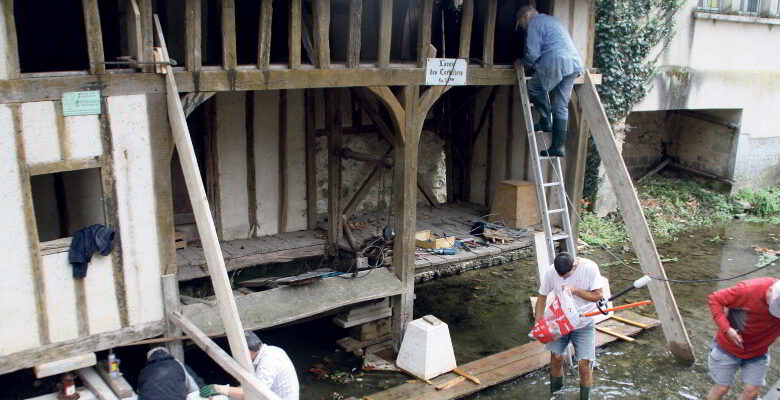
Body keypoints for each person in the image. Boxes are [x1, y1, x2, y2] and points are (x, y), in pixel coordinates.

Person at [515, 6, 584, 157]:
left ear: (524, 17)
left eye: (520, 24)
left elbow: (532, 54)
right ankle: (558, 147)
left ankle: (546, 121)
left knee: (534, 87)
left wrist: (522, 62)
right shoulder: (552, 20)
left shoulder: (534, 23)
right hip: (573, 64)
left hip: (557, 62)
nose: (522, 27)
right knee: (561, 105)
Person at [534, 252, 603, 400]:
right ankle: (555, 395)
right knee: (556, 358)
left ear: (574, 265)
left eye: (566, 276)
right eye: (561, 277)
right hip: (560, 322)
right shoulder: (551, 272)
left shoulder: (589, 268)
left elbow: (598, 296)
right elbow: (542, 296)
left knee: (584, 365)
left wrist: (576, 291)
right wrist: (538, 323)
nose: (564, 279)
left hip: (584, 323)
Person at [706, 277, 779, 400]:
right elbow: (715, 299)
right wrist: (726, 329)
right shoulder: (747, 289)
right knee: (722, 388)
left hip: (758, 352)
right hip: (727, 348)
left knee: (752, 392)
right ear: (770, 289)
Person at [200, 331, 299, 400]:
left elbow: (254, 394)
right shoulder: (272, 350)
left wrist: (219, 389)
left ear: (247, 351)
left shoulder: (267, 366)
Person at [138, 346, 205, 400]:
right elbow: (195, 384)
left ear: (149, 358)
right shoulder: (177, 363)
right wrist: (204, 390)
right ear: (167, 354)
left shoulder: (144, 371)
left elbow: (140, 391)